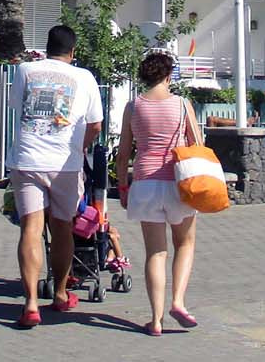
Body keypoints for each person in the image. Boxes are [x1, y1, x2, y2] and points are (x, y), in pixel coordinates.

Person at [8, 24, 104, 329]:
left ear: (46, 47)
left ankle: (31, 304)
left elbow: (16, 107)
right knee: (62, 229)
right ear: (73, 52)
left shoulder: (25, 70)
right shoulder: (85, 77)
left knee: (31, 229)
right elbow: (96, 124)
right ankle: (60, 294)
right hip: (65, 164)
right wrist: (80, 146)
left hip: (27, 159)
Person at [115, 50, 201, 337]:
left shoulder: (133, 107)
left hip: (144, 184)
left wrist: (123, 186)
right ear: (168, 76)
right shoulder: (182, 105)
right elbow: (196, 144)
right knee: (185, 243)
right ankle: (178, 301)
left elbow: (124, 152)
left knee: (155, 252)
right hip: (178, 184)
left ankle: (155, 320)